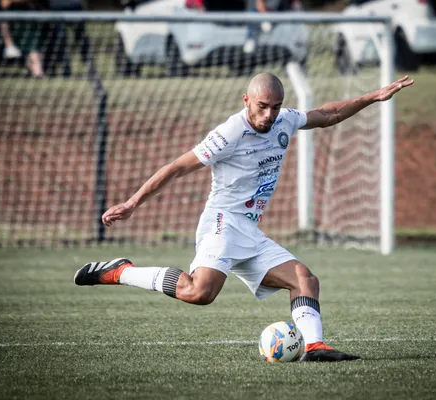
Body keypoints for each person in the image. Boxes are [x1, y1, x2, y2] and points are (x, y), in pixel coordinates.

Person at [73, 72, 414, 362]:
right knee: (200, 292)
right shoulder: (229, 134)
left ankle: (314, 346)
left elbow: (326, 114)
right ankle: (120, 272)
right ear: (246, 101)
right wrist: (133, 203)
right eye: (262, 106)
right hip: (222, 222)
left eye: (275, 107)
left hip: (249, 229)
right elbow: (176, 168)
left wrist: (374, 96)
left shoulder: (285, 121)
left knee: (305, 280)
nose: (269, 115)